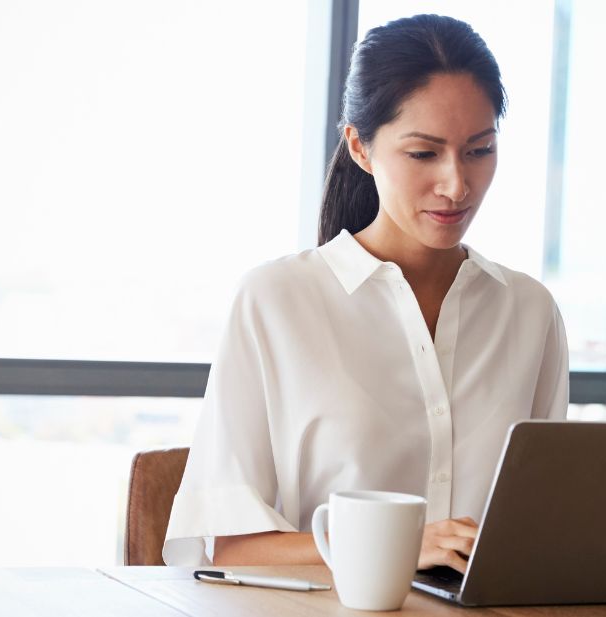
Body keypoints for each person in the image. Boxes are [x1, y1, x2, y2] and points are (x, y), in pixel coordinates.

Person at [162, 14, 568, 573]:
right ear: (359, 147)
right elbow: (233, 548)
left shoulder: (529, 310)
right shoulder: (277, 301)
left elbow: (546, 524)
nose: (456, 184)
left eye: (479, 150)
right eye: (424, 153)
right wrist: (404, 545)